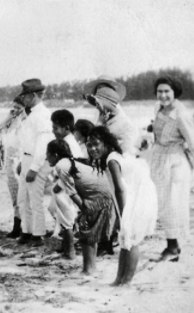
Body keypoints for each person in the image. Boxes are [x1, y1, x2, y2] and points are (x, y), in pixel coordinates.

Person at [86, 126, 157, 286]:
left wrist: (122, 215)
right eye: (89, 145)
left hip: (139, 194)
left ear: (106, 142)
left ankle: (127, 281)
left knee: (130, 238)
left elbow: (119, 189)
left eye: (96, 143)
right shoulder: (108, 158)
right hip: (133, 193)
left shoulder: (111, 160)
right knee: (125, 239)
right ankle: (119, 279)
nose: (92, 148)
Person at [45, 139, 118, 276]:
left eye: (47, 154)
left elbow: (71, 191)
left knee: (86, 231)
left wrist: (84, 208)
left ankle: (88, 269)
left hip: (98, 198)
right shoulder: (70, 161)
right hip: (104, 195)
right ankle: (90, 267)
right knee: (89, 232)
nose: (45, 157)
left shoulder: (61, 165)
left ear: (55, 155)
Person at [150, 76, 194, 262]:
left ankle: (172, 248)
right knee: (162, 203)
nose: (162, 96)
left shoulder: (181, 115)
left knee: (173, 205)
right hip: (159, 160)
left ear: (174, 93)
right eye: (159, 91)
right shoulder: (158, 108)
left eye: (166, 92)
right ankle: (173, 245)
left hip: (175, 163)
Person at [16, 79, 55, 246]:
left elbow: (43, 143)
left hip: (36, 160)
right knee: (22, 198)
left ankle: (38, 234)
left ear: (33, 96)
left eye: (25, 96)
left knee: (35, 199)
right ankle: (27, 230)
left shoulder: (43, 114)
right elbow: (27, 140)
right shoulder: (32, 113)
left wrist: (34, 167)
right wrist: (21, 161)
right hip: (26, 158)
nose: (23, 99)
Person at [48, 109, 84, 258]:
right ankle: (67, 244)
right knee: (55, 211)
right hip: (63, 186)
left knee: (66, 218)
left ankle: (70, 250)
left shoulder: (70, 145)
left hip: (67, 188)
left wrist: (59, 185)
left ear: (66, 128)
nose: (53, 131)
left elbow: (73, 170)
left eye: (55, 128)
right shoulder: (66, 142)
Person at [0, 96, 28, 238]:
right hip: (9, 161)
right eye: (14, 107)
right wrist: (9, 116)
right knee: (14, 195)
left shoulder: (25, 121)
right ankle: (18, 226)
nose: (15, 110)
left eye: (18, 107)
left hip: (19, 161)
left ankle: (20, 227)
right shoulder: (12, 121)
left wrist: (21, 115)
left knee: (21, 195)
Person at [84, 76, 138, 155]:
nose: (101, 90)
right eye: (99, 89)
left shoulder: (119, 115)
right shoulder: (100, 110)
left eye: (104, 88)